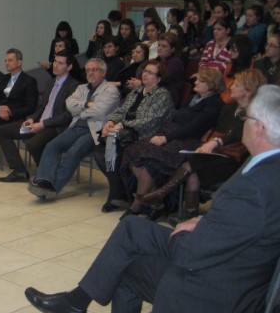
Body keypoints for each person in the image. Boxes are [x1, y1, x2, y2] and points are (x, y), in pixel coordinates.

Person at [24, 85, 280, 313]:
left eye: (245, 117)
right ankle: (77, 305)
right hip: (230, 268)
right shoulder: (269, 171)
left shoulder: (253, 189)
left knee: (127, 267)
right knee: (131, 228)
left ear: (259, 128)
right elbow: (240, 225)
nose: (242, 122)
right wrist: (204, 220)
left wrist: (184, 230)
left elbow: (191, 253)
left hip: (214, 291)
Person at [138, 69, 266, 226]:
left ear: (248, 90)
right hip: (219, 154)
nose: (231, 87)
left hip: (236, 158)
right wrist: (210, 143)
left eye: (237, 85)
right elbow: (217, 131)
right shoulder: (230, 108)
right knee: (193, 172)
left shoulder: (256, 112)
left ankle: (162, 194)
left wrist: (216, 142)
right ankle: (188, 216)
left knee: (192, 163)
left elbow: (237, 135)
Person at [120, 67, 224, 221]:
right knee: (133, 153)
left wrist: (166, 138)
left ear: (211, 84)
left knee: (150, 163)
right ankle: (157, 202)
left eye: (200, 80)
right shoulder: (194, 97)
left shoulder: (214, 104)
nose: (196, 82)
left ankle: (136, 206)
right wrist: (168, 134)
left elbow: (193, 127)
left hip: (188, 141)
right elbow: (178, 116)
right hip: (173, 134)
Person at [29, 58, 120, 200]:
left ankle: (53, 188)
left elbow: (101, 111)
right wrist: (88, 104)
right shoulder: (81, 88)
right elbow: (69, 105)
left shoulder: (111, 90)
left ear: (103, 72)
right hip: (76, 126)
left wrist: (81, 110)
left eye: (94, 70)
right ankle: (44, 181)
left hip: (94, 130)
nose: (90, 73)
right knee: (52, 146)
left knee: (73, 153)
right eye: (88, 70)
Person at [94, 60, 174, 213]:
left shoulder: (162, 94)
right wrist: (111, 122)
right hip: (125, 130)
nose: (145, 74)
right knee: (99, 150)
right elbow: (121, 110)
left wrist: (121, 126)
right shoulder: (137, 91)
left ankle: (117, 195)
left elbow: (149, 120)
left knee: (112, 148)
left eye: (150, 72)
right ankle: (119, 192)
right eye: (145, 71)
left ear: (159, 78)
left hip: (146, 132)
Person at [0, 51, 79, 182]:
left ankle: (46, 175)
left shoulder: (74, 86)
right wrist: (31, 119)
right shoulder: (51, 82)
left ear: (69, 67)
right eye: (55, 61)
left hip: (54, 127)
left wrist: (42, 124)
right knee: (3, 131)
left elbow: (67, 115)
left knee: (33, 144)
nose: (55, 65)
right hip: (37, 124)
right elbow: (42, 107)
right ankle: (20, 171)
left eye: (60, 63)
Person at [221, 33, 254, 103]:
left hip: (238, 101)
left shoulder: (253, 68)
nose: (230, 52)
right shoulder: (229, 66)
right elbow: (222, 87)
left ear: (242, 49)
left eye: (233, 49)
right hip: (224, 99)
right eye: (230, 49)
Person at [155, 33, 184, 108]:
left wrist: (141, 83)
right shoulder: (157, 60)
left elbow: (163, 79)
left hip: (167, 100)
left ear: (173, 49)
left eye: (164, 46)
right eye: (159, 45)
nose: (159, 48)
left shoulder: (176, 62)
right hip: (156, 96)